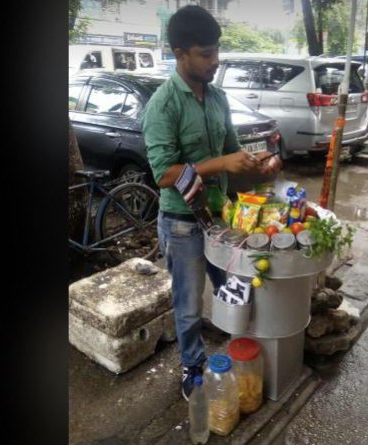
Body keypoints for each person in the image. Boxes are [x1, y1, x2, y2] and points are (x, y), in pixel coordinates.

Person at [141, 4, 282, 401]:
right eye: (205, 53)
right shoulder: (163, 106)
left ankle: (240, 352)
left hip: (222, 216)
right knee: (188, 306)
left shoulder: (218, 98)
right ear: (179, 53)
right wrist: (220, 162)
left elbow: (232, 153)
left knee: (235, 290)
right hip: (182, 222)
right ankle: (193, 366)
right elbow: (164, 173)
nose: (215, 61)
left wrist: (260, 166)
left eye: (217, 50)